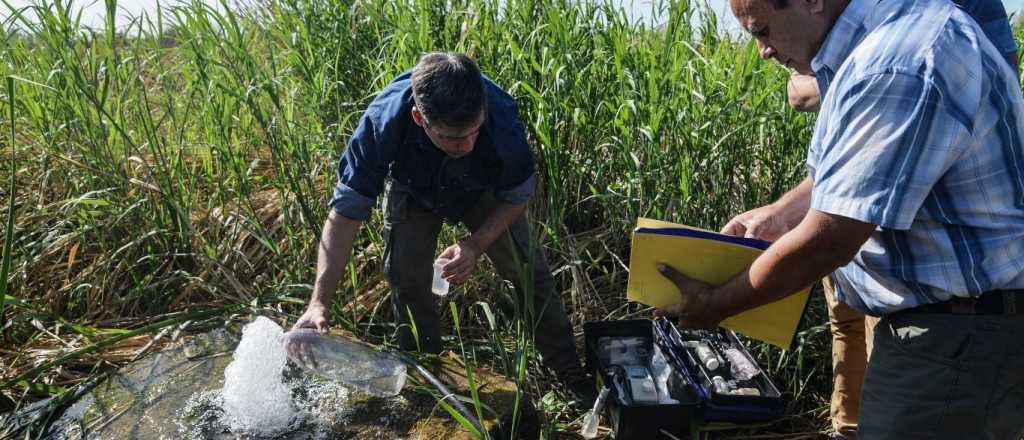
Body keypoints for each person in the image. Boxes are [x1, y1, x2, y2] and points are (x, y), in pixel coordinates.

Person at [656, 0, 1024, 438]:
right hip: (955, 335)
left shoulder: (896, 61)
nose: (764, 51)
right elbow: (869, 165)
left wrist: (717, 304)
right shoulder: (876, 43)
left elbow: (831, 239)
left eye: (763, 30)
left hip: (955, 345)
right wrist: (782, 215)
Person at [291, 52, 593, 402]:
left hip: (483, 190)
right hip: (414, 187)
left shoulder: (500, 118)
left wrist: (476, 245)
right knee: (407, 276)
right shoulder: (382, 122)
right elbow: (345, 214)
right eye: (452, 138)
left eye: (473, 132)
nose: (465, 145)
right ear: (419, 118)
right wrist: (318, 303)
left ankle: (569, 371)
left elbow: (517, 194)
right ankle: (424, 373)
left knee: (529, 270)